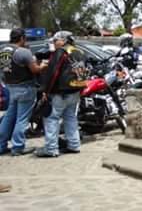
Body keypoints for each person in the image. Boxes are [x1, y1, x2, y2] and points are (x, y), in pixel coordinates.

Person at [35, 31, 86, 158]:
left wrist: (45, 91)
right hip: (75, 90)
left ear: (63, 40)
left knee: (51, 118)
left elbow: (54, 73)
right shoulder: (79, 52)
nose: (53, 43)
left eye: (55, 40)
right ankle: (74, 145)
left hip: (60, 92)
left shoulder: (61, 52)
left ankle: (51, 149)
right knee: (70, 117)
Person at [0, 28, 47, 156]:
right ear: (21, 38)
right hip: (25, 88)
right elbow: (35, 70)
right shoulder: (23, 52)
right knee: (22, 119)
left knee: (9, 118)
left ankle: (1, 146)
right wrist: (43, 65)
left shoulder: (2, 50)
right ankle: (18, 147)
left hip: (11, 87)